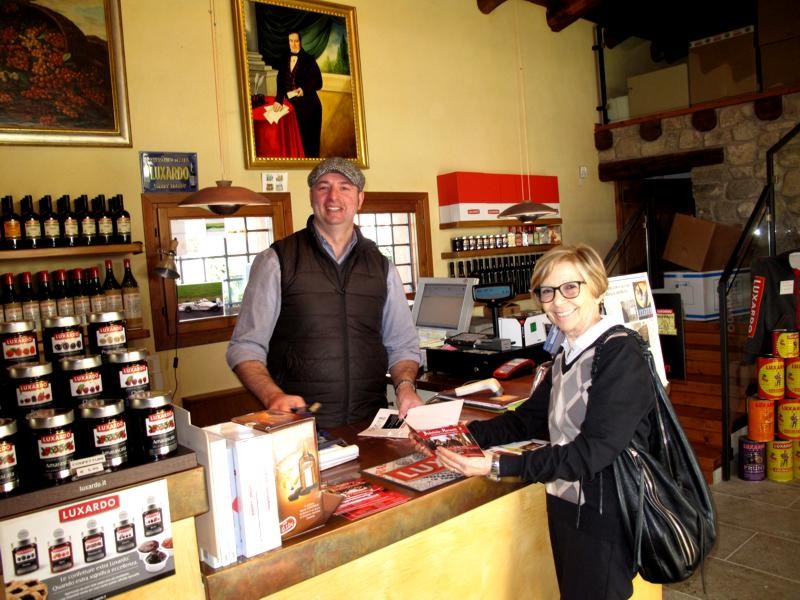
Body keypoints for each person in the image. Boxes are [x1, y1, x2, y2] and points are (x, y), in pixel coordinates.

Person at [430, 244, 656, 600]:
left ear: (597, 288)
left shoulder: (620, 353)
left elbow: (592, 453)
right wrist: (455, 436)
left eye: (571, 287)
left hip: (605, 516)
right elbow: (527, 421)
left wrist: (497, 464)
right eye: (547, 291)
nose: (557, 301)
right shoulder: (567, 353)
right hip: (567, 506)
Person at [226, 157, 424, 429]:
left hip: (369, 424)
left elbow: (402, 345)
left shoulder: (382, 267)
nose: (333, 196)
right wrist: (273, 396)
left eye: (345, 187)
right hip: (299, 424)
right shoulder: (277, 261)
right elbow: (245, 347)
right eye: (323, 187)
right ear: (311, 196)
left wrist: (405, 387)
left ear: (359, 198)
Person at [273, 31, 323, 157]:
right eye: (291, 41)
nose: (294, 44)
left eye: (296, 41)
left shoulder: (309, 59)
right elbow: (280, 81)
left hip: (309, 107)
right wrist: (278, 99)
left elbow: (318, 82)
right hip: (292, 105)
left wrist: (304, 89)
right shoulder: (284, 58)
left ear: (300, 42)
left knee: (308, 146)